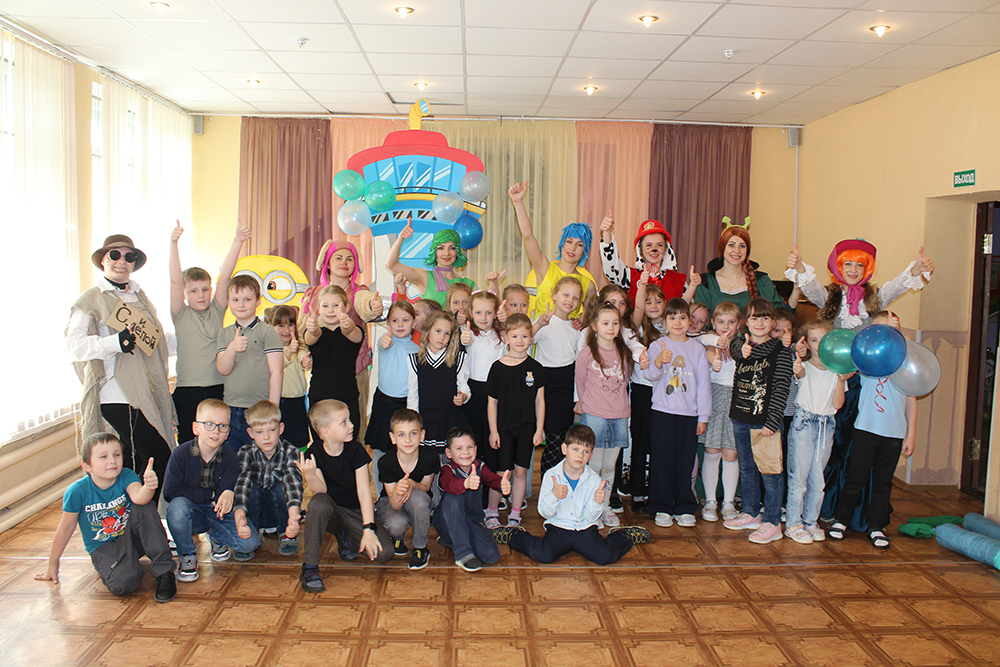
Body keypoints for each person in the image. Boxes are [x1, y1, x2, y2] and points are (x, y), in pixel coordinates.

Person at [785, 239, 934, 527]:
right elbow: (811, 287)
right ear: (838, 267)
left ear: (867, 269)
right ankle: (825, 507)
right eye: (848, 264)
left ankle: (856, 514)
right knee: (833, 447)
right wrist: (800, 267)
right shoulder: (829, 297)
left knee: (859, 451)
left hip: (865, 387)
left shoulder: (874, 299)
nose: (853, 270)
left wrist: (916, 268)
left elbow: (897, 286)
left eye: (859, 265)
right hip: (834, 384)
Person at [66, 235, 175, 504]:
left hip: (146, 393)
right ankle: (135, 520)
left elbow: (156, 343)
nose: (121, 261)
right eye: (114, 255)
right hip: (114, 395)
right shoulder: (91, 299)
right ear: (103, 260)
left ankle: (136, 520)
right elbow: (74, 346)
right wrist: (113, 343)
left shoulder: (140, 297)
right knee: (149, 457)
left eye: (129, 257)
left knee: (139, 461)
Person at [36, 433, 176, 602]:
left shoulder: (126, 476)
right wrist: (53, 563)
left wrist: (149, 487)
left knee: (144, 506)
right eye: (103, 457)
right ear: (87, 466)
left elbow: (140, 498)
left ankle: (164, 572)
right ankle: (127, 565)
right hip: (103, 546)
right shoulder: (76, 491)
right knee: (123, 584)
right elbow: (65, 528)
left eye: (117, 455)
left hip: (132, 538)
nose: (112, 461)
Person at [829, 312, 917, 550]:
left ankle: (876, 526)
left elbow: (911, 402)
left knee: (883, 482)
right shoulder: (866, 364)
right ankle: (841, 520)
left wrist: (911, 435)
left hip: (894, 435)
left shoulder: (904, 365)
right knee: (855, 478)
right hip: (865, 430)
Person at [507, 424, 651, 565]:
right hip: (559, 527)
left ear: (591, 455)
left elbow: (591, 517)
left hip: (585, 528)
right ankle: (514, 534)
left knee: (605, 556)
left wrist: (597, 503)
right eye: (575, 449)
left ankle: (623, 535)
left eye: (586, 451)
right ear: (564, 449)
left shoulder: (594, 479)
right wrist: (554, 496)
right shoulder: (552, 475)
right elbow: (545, 512)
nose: (580, 455)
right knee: (543, 554)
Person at [298, 400, 393, 592]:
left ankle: (347, 538)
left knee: (385, 553)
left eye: (349, 420)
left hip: (354, 512)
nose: (351, 425)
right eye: (344, 422)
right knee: (318, 503)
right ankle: (309, 567)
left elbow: (364, 492)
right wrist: (310, 475)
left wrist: (368, 529)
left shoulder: (356, 450)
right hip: (331, 512)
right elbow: (321, 491)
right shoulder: (314, 453)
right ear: (325, 431)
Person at [169, 221, 249, 444]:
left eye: (205, 289)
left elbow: (226, 276)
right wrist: (173, 244)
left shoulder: (216, 310)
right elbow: (175, 280)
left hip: (218, 387)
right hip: (187, 390)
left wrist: (238, 240)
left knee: (219, 440)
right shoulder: (180, 314)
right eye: (194, 291)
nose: (201, 295)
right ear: (185, 294)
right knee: (189, 442)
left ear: (211, 290)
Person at [722, 298, 795, 544]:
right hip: (740, 418)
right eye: (754, 318)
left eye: (765, 318)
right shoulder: (742, 345)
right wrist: (739, 346)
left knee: (770, 472)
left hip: (765, 423)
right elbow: (735, 348)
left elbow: (782, 388)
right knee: (747, 467)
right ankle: (751, 512)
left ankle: (772, 521)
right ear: (746, 322)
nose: (760, 323)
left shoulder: (781, 351)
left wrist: (772, 422)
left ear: (773, 322)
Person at [164, 398, 261, 582]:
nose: (216, 431)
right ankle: (187, 555)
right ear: (196, 428)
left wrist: (229, 492)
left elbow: (229, 489)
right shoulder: (180, 454)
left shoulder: (231, 458)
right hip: (192, 512)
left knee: (250, 543)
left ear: (228, 433)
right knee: (176, 508)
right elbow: (170, 492)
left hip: (218, 512)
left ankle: (217, 536)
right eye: (209, 424)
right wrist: (211, 495)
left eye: (222, 426)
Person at [304, 240, 385, 446]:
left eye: (349, 259)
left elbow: (365, 303)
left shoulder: (358, 292)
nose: (344, 262)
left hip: (354, 373)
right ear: (327, 263)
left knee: (353, 430)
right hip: (322, 379)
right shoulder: (313, 293)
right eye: (338, 258)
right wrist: (307, 343)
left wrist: (373, 305)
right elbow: (306, 334)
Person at [643, 299, 712, 528]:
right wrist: (659, 362)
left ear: (689, 321)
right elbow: (650, 376)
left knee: (685, 462)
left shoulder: (697, 349)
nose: (678, 322)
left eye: (683, 317)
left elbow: (704, 385)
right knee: (661, 461)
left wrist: (703, 417)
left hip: (688, 415)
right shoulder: (658, 345)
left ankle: (684, 506)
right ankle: (661, 506)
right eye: (672, 318)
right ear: (665, 321)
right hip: (662, 412)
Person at [784, 320, 848, 544]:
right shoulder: (805, 367)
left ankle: (811, 521)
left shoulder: (836, 372)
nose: (819, 344)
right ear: (807, 344)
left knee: (818, 480)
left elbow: (838, 404)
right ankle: (793, 523)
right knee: (799, 478)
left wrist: (840, 380)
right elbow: (800, 373)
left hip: (826, 425)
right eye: (814, 340)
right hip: (804, 424)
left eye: (824, 339)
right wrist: (797, 361)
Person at [575, 303, 634, 528]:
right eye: (605, 323)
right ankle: (591, 507)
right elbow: (580, 382)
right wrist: (587, 406)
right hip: (595, 416)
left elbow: (625, 381)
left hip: (619, 415)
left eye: (615, 323)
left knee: (610, 466)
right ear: (594, 326)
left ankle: (605, 506)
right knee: (594, 465)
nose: (611, 328)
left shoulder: (624, 353)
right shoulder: (587, 353)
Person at [486, 313, 547, 528]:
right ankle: (491, 511)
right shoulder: (497, 368)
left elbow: (540, 401)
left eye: (524, 336)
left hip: (527, 429)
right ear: (506, 338)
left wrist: (539, 430)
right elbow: (492, 402)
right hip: (503, 429)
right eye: (515, 336)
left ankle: (515, 513)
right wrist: (493, 431)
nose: (519, 341)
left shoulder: (536, 368)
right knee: (502, 472)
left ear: (531, 339)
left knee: (521, 471)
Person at [216, 274, 284, 452]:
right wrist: (232, 348)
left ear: (258, 301)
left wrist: (273, 409)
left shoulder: (267, 332)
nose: (241, 304)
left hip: (260, 409)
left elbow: (276, 372)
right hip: (231, 408)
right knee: (232, 459)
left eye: (247, 299)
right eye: (235, 300)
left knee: (261, 458)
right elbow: (223, 369)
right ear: (228, 302)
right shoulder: (224, 334)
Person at [508, 180, 596, 318]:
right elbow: (528, 236)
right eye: (569, 242)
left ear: (585, 251)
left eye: (579, 244)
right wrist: (518, 202)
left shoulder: (588, 284)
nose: (572, 248)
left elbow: (590, 317)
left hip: (568, 332)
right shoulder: (545, 268)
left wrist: (580, 322)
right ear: (562, 244)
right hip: (541, 331)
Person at [433, 427, 514, 572]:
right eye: (459, 448)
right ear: (449, 453)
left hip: (471, 522)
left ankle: (453, 539)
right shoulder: (447, 469)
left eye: (469, 447)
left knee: (491, 555)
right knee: (453, 497)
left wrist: (502, 484)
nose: (465, 452)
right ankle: (462, 553)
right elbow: (449, 484)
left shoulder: (479, 466)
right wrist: (466, 483)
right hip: (446, 521)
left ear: (476, 449)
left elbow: (492, 479)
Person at [232, 401, 303, 559]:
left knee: (281, 487)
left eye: (271, 430)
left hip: (280, 511)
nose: (266, 437)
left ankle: (286, 532)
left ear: (281, 428)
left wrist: (293, 518)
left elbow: (293, 485)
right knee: (251, 487)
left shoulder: (291, 452)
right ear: (250, 433)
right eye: (259, 432)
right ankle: (251, 530)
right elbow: (241, 486)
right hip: (256, 510)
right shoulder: (245, 452)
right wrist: (240, 518)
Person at [532, 276, 584, 473]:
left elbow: (578, 361)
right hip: (547, 385)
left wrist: (577, 398)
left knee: (562, 438)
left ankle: (557, 482)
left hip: (567, 384)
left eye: (575, 297)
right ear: (554, 295)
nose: (570, 300)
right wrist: (539, 324)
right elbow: (528, 339)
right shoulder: (545, 321)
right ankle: (548, 483)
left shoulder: (575, 327)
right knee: (553, 438)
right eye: (566, 295)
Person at [376, 409, 438, 570]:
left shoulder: (430, 457)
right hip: (390, 501)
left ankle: (420, 547)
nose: (408, 440)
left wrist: (412, 484)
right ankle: (396, 537)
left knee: (419, 499)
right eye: (401, 435)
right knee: (397, 523)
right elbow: (395, 505)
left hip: (418, 497)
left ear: (422, 435)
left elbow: (425, 487)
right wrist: (398, 490)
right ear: (393, 438)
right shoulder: (385, 462)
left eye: (413, 433)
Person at [369, 300, 420, 497]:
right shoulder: (386, 342)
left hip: (406, 406)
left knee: (404, 451)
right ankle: (381, 495)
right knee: (380, 452)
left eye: (405, 320)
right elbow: (384, 344)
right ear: (388, 323)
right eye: (395, 320)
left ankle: (402, 492)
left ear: (414, 323)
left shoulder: (417, 350)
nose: (400, 324)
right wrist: (385, 340)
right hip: (384, 404)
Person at [303, 285, 364, 444]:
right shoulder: (316, 332)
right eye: (325, 306)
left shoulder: (355, 331)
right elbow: (312, 336)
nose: (330, 310)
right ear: (318, 309)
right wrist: (312, 328)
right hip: (319, 397)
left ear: (347, 307)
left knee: (349, 444)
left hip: (346, 398)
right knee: (320, 444)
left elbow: (350, 332)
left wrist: (347, 324)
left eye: (335, 305)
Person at [698, 302, 742, 522]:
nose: (726, 327)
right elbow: (701, 339)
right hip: (715, 398)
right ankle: (710, 501)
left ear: (739, 324)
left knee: (731, 453)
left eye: (731, 322)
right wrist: (716, 346)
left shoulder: (743, 345)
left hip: (736, 399)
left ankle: (729, 502)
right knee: (712, 450)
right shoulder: (709, 342)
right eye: (721, 322)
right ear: (714, 323)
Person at [463, 291, 507, 497]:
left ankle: (492, 494)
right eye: (478, 312)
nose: (483, 317)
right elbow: (462, 341)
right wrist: (463, 336)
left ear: (496, 313)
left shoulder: (502, 336)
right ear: (471, 313)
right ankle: (473, 491)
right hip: (473, 394)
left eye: (488, 312)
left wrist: (506, 321)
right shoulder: (468, 334)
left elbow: (521, 333)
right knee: (474, 442)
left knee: (492, 443)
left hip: (495, 394)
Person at [600, 214, 699, 305]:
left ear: (666, 249)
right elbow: (612, 267)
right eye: (649, 245)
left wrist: (693, 285)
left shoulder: (679, 281)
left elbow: (686, 310)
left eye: (659, 245)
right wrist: (607, 232)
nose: (654, 249)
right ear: (640, 249)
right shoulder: (629, 276)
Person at [694, 220, 788, 315]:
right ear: (722, 248)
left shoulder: (761, 281)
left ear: (747, 251)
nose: (737, 251)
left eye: (742, 246)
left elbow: (781, 314)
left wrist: (795, 288)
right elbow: (701, 319)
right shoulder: (705, 283)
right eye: (731, 245)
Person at [407, 311, 470, 451]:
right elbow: (413, 395)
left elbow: (464, 386)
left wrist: (463, 396)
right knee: (428, 459)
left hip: (450, 418)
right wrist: (413, 422)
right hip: (425, 419)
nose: (442, 337)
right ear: (428, 330)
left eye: (447, 333)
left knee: (450, 458)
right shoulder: (414, 360)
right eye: (438, 331)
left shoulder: (459, 358)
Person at [386, 217, 477, 307]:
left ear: (457, 252)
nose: (446, 253)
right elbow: (391, 264)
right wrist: (401, 238)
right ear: (434, 252)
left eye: (452, 248)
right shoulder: (425, 277)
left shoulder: (468, 284)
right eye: (441, 248)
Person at [264, 305, 311, 450]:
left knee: (299, 439)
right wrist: (290, 351)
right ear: (272, 327)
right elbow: (278, 364)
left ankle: (299, 461)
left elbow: (303, 356)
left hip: (298, 402)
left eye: (290, 324)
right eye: (280, 325)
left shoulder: (299, 347)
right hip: (279, 402)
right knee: (278, 440)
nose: (286, 330)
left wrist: (306, 361)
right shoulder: (270, 350)